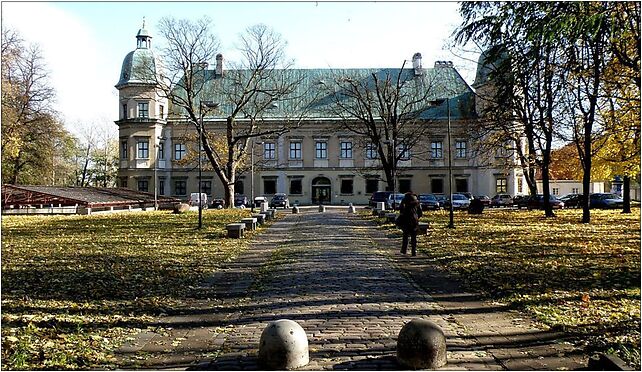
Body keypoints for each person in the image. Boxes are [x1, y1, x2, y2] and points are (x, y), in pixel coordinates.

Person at [397, 191, 423, 256]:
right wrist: (417, 217)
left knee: (405, 235)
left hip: (406, 220)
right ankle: (414, 251)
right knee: (414, 236)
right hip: (414, 220)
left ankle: (404, 250)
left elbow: (401, 209)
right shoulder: (417, 202)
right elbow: (420, 212)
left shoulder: (404, 200)